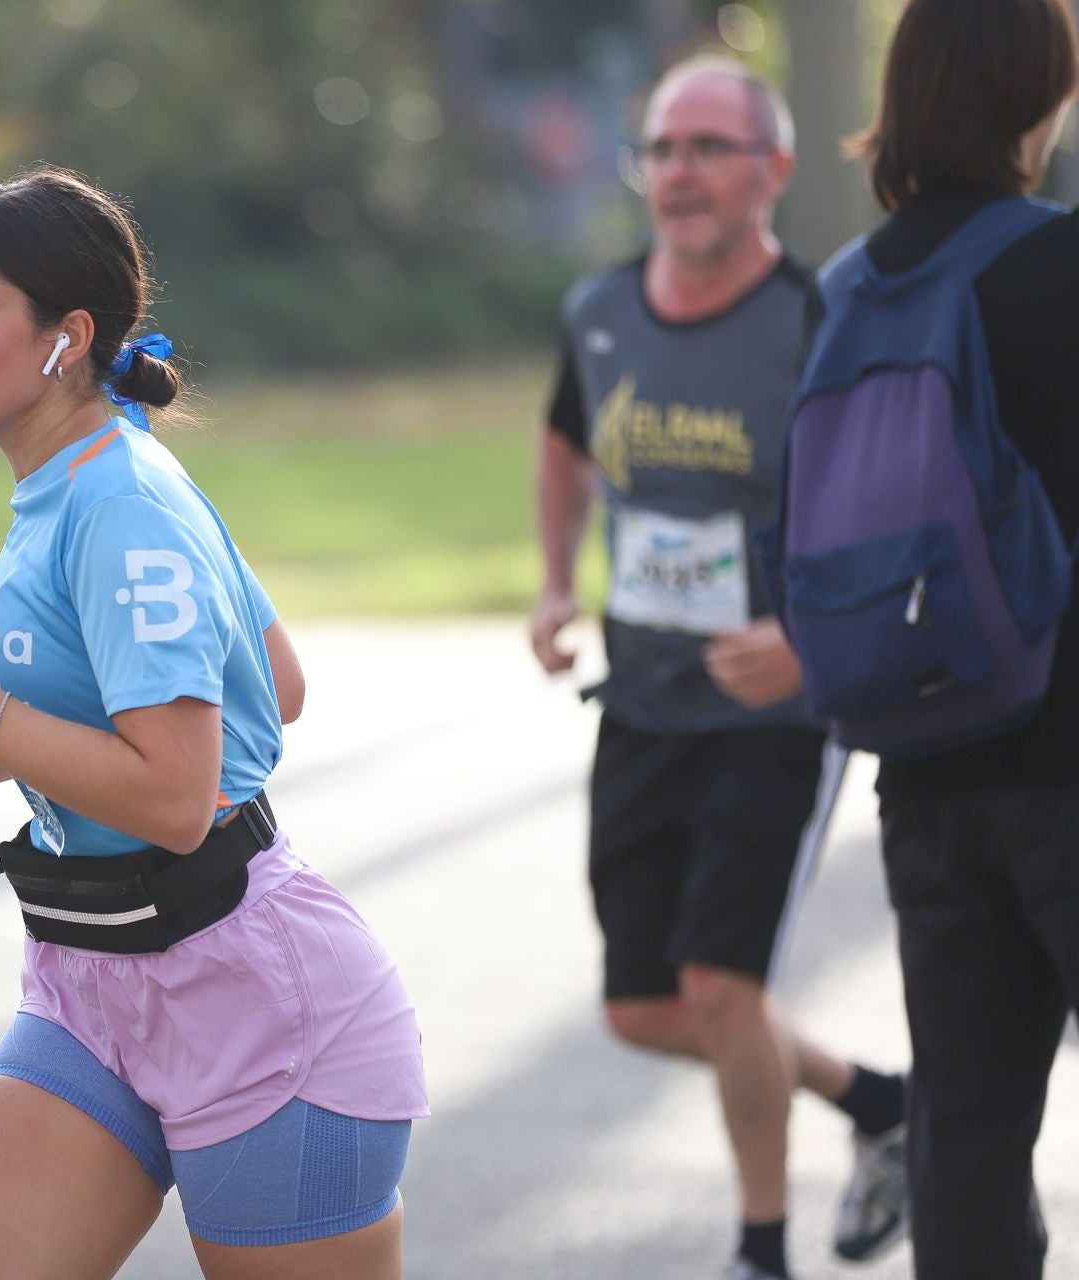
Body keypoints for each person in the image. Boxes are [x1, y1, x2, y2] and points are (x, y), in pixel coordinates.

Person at [0, 165, 428, 1280]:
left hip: (261, 1016)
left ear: (68, 337)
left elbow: (178, 797)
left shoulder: (122, 505)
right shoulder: (81, 478)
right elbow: (272, 683)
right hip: (92, 988)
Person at [529, 57, 909, 1279]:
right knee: (645, 1006)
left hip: (777, 709)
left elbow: (892, 505)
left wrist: (809, 635)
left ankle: (760, 1250)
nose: (679, 171)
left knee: (720, 981)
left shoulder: (818, 320)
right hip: (642, 697)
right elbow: (563, 444)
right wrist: (551, 581)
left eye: (709, 147)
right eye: (662, 147)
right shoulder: (599, 309)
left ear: (774, 172)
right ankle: (876, 1103)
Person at [821, 3, 1079, 1275]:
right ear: (1041, 94)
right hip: (1070, 753)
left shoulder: (847, 289)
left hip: (925, 759)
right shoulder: (1057, 265)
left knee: (966, 1137)